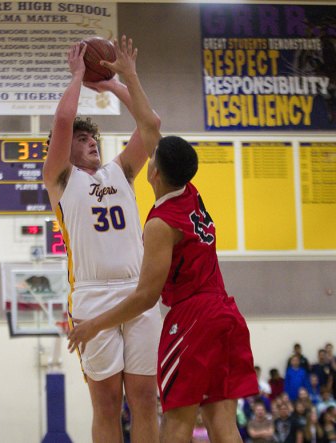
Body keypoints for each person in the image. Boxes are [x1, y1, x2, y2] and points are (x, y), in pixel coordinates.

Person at [68, 37, 258, 443]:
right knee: (223, 423)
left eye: (151, 160)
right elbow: (151, 125)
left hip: (191, 320)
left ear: (153, 172)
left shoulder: (160, 223)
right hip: (226, 312)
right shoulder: (192, 197)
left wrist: (91, 326)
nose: (146, 158)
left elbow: (145, 298)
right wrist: (123, 80)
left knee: (176, 421)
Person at [43, 36, 162, 443]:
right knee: (107, 402)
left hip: (138, 291)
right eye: (81, 139)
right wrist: (78, 75)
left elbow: (152, 124)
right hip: (92, 297)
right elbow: (62, 122)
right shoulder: (60, 180)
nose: (90, 140)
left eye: (91, 137)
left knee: (145, 398)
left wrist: (115, 83)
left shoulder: (121, 171)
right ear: (64, 151)